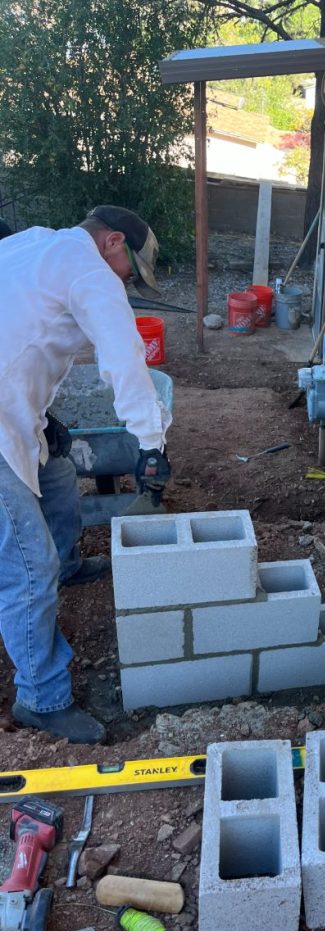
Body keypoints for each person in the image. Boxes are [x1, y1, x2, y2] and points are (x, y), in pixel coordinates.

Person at [0, 205, 172, 744]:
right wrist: (150, 443)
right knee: (28, 568)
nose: (125, 281)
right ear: (112, 242)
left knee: (54, 478)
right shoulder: (91, 272)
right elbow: (123, 359)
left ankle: (68, 565)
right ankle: (41, 698)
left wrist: (39, 412)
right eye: (129, 269)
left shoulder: (34, 240)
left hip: (15, 407)